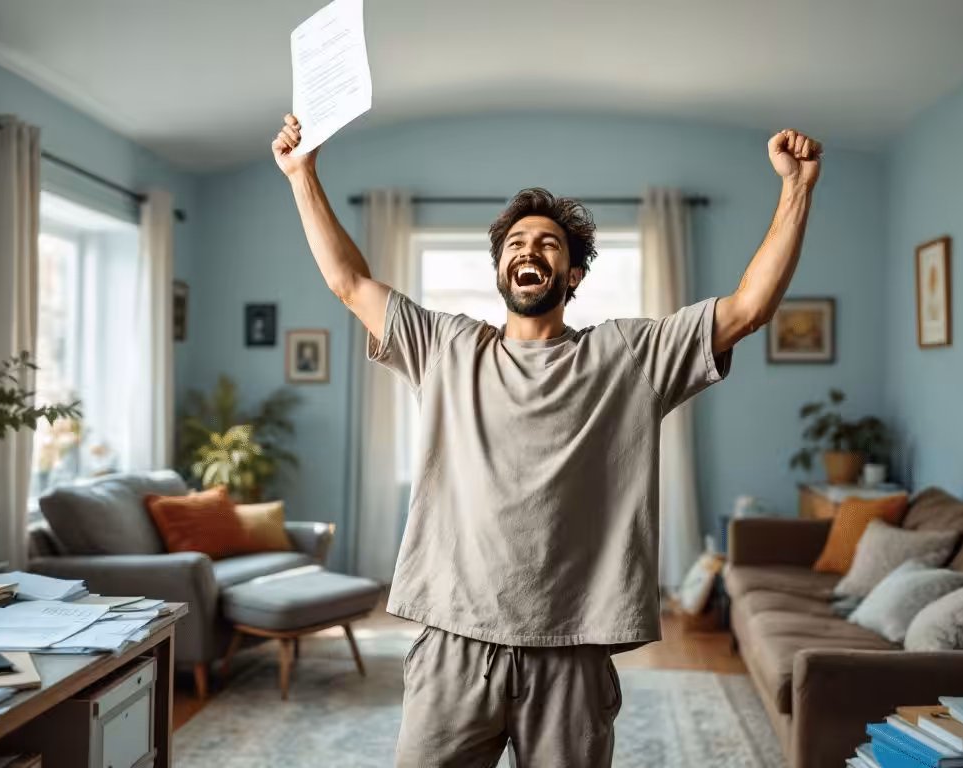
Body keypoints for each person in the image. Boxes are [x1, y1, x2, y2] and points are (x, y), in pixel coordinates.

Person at [272, 113, 820, 767]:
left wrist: (797, 188)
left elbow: (748, 308)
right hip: (455, 638)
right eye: (517, 243)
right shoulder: (449, 347)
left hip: (573, 646)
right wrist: (303, 174)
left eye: (550, 244)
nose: (530, 250)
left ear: (574, 275)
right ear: (501, 268)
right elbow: (350, 284)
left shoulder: (629, 356)